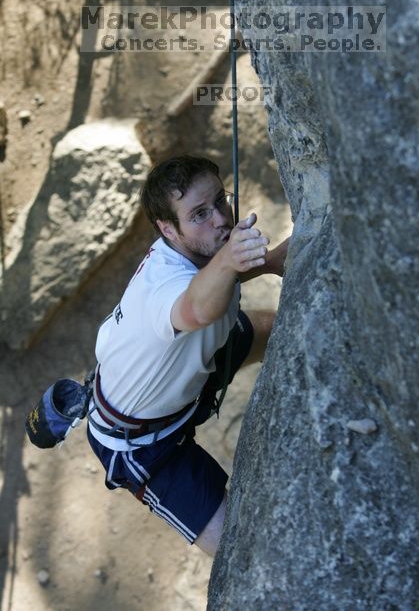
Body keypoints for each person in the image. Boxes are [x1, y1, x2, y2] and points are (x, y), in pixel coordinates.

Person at [87, 155, 288, 556]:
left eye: (220, 200)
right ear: (168, 229)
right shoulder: (166, 284)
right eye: (199, 214)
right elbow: (195, 308)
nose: (219, 219)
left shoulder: (192, 250)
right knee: (241, 550)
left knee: (269, 328)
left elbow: (214, 274)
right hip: (141, 444)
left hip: (184, 369)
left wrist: (268, 260)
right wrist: (232, 259)